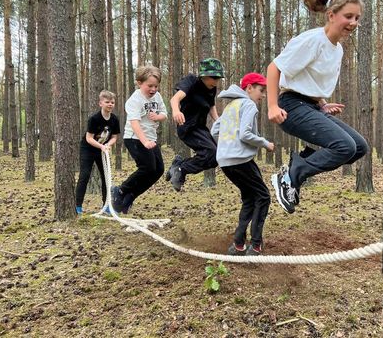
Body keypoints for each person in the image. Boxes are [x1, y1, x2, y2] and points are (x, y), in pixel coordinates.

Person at [267, 0, 369, 214]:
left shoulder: (337, 48)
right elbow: (274, 68)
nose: (353, 23)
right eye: (348, 16)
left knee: (358, 147)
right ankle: (291, 175)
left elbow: (309, 79)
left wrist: (322, 104)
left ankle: (301, 163)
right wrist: (272, 106)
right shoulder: (312, 40)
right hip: (291, 105)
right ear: (331, 15)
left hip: (309, 106)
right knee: (342, 145)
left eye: (357, 18)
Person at [211, 72, 274, 256]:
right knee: (263, 197)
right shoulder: (248, 104)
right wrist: (265, 143)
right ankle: (255, 245)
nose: (263, 95)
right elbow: (245, 135)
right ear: (249, 88)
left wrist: (226, 146)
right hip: (240, 160)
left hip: (225, 161)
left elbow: (215, 130)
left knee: (249, 198)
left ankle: (238, 244)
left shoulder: (232, 105)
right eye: (261, 90)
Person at [111, 65, 167, 213]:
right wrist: (145, 141)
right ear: (139, 83)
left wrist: (158, 117)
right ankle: (120, 190)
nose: (153, 89)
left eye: (156, 86)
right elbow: (134, 123)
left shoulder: (157, 96)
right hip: (134, 138)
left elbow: (164, 114)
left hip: (150, 138)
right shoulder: (134, 100)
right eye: (150, 86)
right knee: (147, 168)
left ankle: (130, 197)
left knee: (158, 170)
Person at [166, 58, 224, 191]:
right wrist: (176, 111)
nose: (216, 81)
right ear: (203, 75)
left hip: (201, 128)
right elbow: (175, 99)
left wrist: (218, 121)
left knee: (216, 157)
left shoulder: (212, 88)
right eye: (213, 77)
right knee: (211, 152)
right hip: (187, 126)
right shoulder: (191, 81)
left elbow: (211, 105)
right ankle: (180, 169)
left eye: (218, 77)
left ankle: (179, 166)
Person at [75, 90, 120, 214]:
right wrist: (101, 146)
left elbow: (114, 137)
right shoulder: (94, 119)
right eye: (107, 102)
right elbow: (89, 138)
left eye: (112, 102)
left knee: (106, 177)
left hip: (102, 150)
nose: (110, 104)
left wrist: (107, 145)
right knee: (84, 175)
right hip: (88, 148)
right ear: (100, 103)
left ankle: (107, 206)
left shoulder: (115, 120)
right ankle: (77, 206)